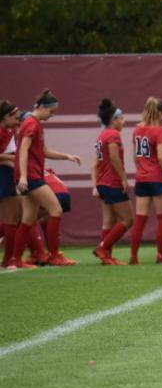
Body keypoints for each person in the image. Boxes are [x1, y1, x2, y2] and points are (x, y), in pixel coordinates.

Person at [16, 90, 83, 267]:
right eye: (51, 112)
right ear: (43, 107)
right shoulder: (32, 123)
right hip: (32, 176)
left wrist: (66, 156)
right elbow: (23, 149)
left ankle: (13, 260)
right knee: (56, 210)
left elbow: (43, 151)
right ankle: (55, 256)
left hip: (31, 175)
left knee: (28, 219)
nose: (52, 116)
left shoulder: (34, 123)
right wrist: (23, 176)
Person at [127, 97, 162, 265]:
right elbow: (161, 156)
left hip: (142, 178)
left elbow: (135, 156)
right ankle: (161, 255)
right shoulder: (160, 131)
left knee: (140, 218)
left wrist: (142, 170)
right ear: (160, 112)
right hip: (158, 178)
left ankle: (134, 256)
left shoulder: (137, 130)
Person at [91, 100, 132, 264]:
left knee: (109, 221)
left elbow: (97, 163)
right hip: (112, 182)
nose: (123, 121)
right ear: (113, 119)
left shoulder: (102, 135)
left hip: (103, 182)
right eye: (121, 118)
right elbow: (114, 158)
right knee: (129, 220)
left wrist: (95, 185)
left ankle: (105, 256)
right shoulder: (113, 135)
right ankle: (103, 247)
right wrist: (123, 178)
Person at [0, 101, 24, 269]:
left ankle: (9, 259)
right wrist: (12, 160)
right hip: (2, 174)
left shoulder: (9, 131)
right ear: (5, 117)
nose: (18, 121)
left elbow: (11, 156)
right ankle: (8, 260)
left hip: (6, 173)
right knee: (11, 218)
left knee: (14, 217)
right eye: (15, 118)